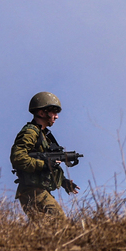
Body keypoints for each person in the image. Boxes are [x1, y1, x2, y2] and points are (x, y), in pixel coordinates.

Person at [10, 91, 80, 223]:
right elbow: (18, 157)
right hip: (32, 190)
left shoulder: (44, 136)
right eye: (53, 112)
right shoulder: (30, 132)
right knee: (60, 224)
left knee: (45, 228)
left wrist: (64, 182)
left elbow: (48, 165)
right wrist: (43, 164)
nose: (56, 117)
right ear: (41, 113)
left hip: (38, 190)